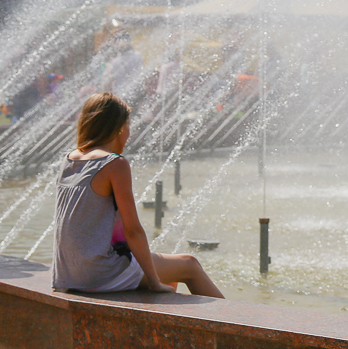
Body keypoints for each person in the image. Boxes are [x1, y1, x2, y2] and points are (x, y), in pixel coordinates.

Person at [52, 93, 224, 298]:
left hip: (67, 274)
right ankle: (234, 327)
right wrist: (154, 281)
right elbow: (133, 230)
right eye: (127, 126)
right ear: (119, 128)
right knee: (189, 264)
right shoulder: (114, 164)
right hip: (99, 273)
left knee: (169, 271)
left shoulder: (69, 159)